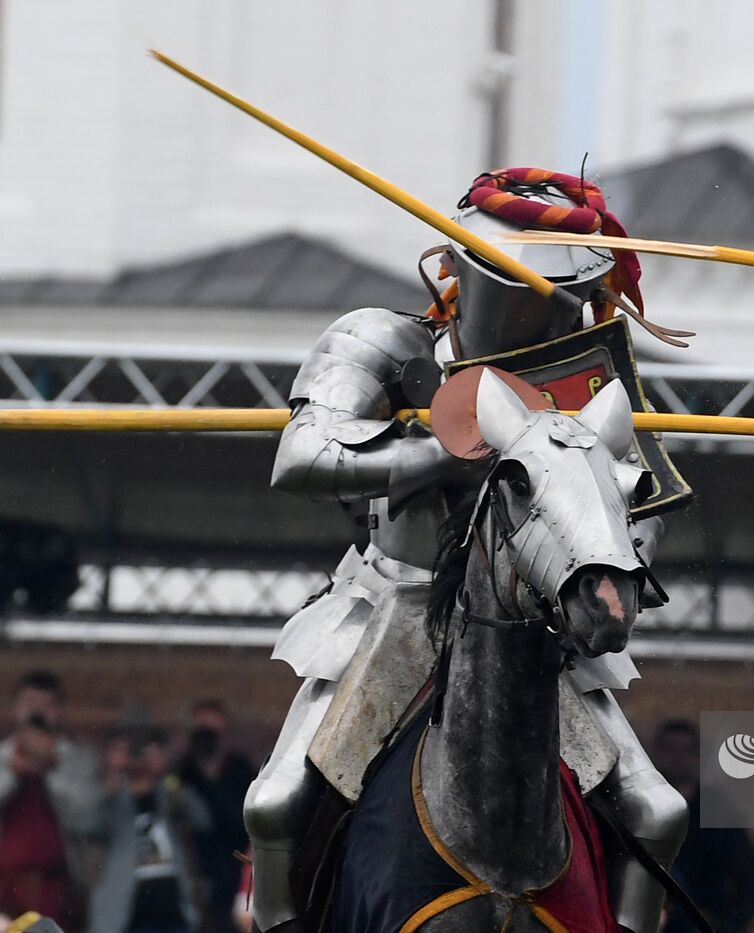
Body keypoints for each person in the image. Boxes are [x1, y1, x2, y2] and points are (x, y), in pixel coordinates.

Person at [243, 169, 687, 933]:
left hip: (532, 621)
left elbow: (636, 497)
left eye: (561, 292)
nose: (544, 308)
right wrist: (439, 457)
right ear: (466, 269)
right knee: (277, 801)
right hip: (398, 604)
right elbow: (303, 453)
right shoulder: (384, 340)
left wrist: (600, 571)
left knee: (655, 809)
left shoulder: (581, 377)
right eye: (522, 287)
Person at [0, 671, 101, 928]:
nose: (37, 711)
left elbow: (87, 817)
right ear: (15, 708)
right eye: (29, 703)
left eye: (46, 704)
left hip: (58, 888)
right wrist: (13, 771)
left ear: (59, 711)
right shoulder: (2, 756)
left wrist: (51, 767)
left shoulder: (79, 759)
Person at [88, 726, 211, 933]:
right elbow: (87, 825)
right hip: (124, 913)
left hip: (173, 911)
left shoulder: (168, 793)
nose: (140, 761)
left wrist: (166, 775)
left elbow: (202, 818)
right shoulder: (114, 797)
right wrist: (114, 777)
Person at [650, 719, 754, 933]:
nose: (677, 759)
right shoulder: (640, 808)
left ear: (696, 756)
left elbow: (748, 882)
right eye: (670, 750)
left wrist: (718, 922)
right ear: (656, 752)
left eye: (684, 751)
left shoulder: (719, 812)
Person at [177, 701, 256, 933]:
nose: (207, 739)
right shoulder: (182, 771)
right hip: (193, 872)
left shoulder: (241, 770)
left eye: (213, 732)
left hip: (233, 869)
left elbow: (244, 819)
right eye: (201, 732)